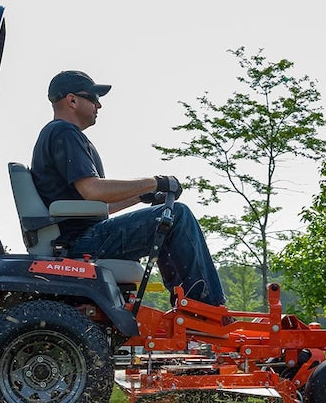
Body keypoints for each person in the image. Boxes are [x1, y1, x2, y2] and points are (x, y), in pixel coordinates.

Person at [31, 70, 225, 307]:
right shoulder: (64, 132)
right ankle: (207, 308)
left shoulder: (59, 135)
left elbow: (99, 205)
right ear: (72, 100)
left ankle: (188, 305)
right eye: (93, 97)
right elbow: (93, 190)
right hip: (79, 241)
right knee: (177, 215)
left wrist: (141, 196)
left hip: (79, 236)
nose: (99, 105)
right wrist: (156, 181)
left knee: (166, 215)